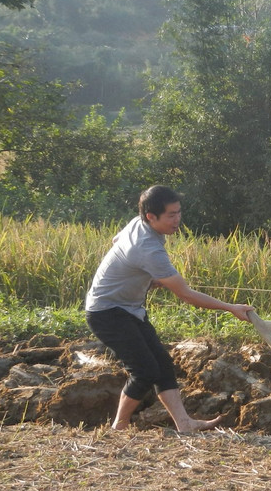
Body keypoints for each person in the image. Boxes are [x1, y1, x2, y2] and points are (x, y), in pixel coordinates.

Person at [85, 185, 254, 433]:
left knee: (162, 364)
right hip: (106, 313)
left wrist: (140, 275)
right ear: (150, 216)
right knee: (144, 371)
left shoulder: (137, 223)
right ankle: (118, 427)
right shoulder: (148, 249)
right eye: (171, 215)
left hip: (128, 309)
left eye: (179, 212)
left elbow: (116, 241)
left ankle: (184, 423)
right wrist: (230, 308)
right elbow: (186, 294)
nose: (177, 220)